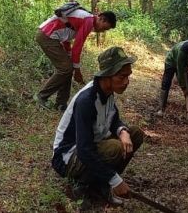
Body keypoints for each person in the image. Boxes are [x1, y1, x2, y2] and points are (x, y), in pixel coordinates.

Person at [51, 46, 144, 206]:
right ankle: (80, 186)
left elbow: (114, 119)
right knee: (115, 148)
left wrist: (122, 131)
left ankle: (100, 183)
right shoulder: (87, 101)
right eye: (121, 77)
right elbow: (84, 149)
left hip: (90, 147)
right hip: (67, 157)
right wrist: (116, 180)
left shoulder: (107, 93)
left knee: (134, 134)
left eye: (128, 76)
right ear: (107, 75)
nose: (126, 82)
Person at [34, 7, 117, 111]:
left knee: (68, 68)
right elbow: (77, 46)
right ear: (102, 19)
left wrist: (69, 54)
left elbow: (66, 36)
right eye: (104, 28)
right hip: (47, 35)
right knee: (66, 69)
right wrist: (77, 71)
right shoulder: (88, 21)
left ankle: (61, 104)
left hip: (50, 35)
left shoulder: (86, 19)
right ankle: (41, 96)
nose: (102, 31)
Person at [154, 39, 188, 117]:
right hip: (171, 61)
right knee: (166, 82)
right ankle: (161, 109)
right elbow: (179, 71)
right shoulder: (183, 50)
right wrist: (183, 87)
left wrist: (187, 66)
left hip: (183, 62)